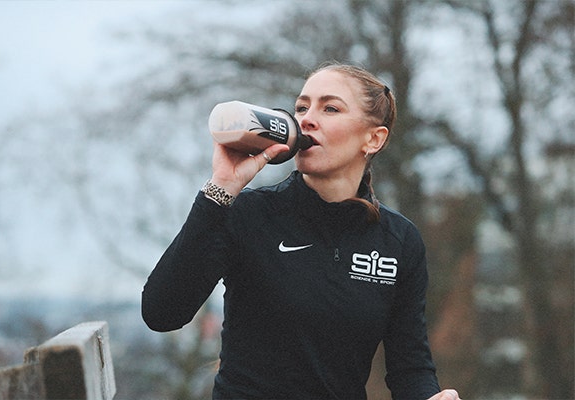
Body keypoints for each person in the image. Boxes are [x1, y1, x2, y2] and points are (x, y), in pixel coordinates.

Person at [142, 62, 460, 400]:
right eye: (301, 107)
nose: (306, 118)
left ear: (373, 138)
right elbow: (162, 313)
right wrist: (221, 188)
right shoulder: (249, 212)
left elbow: (410, 367)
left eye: (330, 108)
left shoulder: (398, 240)